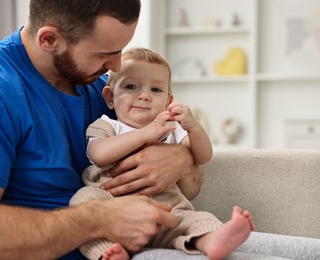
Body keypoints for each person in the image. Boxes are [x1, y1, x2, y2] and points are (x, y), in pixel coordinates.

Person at [0, 1, 205, 259]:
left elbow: (192, 177)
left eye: (121, 50)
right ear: (49, 39)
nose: (117, 65)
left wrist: (182, 160)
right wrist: (98, 219)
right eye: (104, 53)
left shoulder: (104, 89)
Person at [70, 47, 254, 260]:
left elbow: (204, 156)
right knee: (82, 202)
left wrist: (193, 127)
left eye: (155, 90)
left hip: (166, 212)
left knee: (194, 219)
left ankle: (212, 241)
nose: (144, 96)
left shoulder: (171, 129)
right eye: (131, 86)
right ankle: (107, 253)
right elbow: (98, 154)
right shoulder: (106, 125)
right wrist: (146, 134)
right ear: (110, 97)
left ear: (168, 101)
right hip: (112, 209)